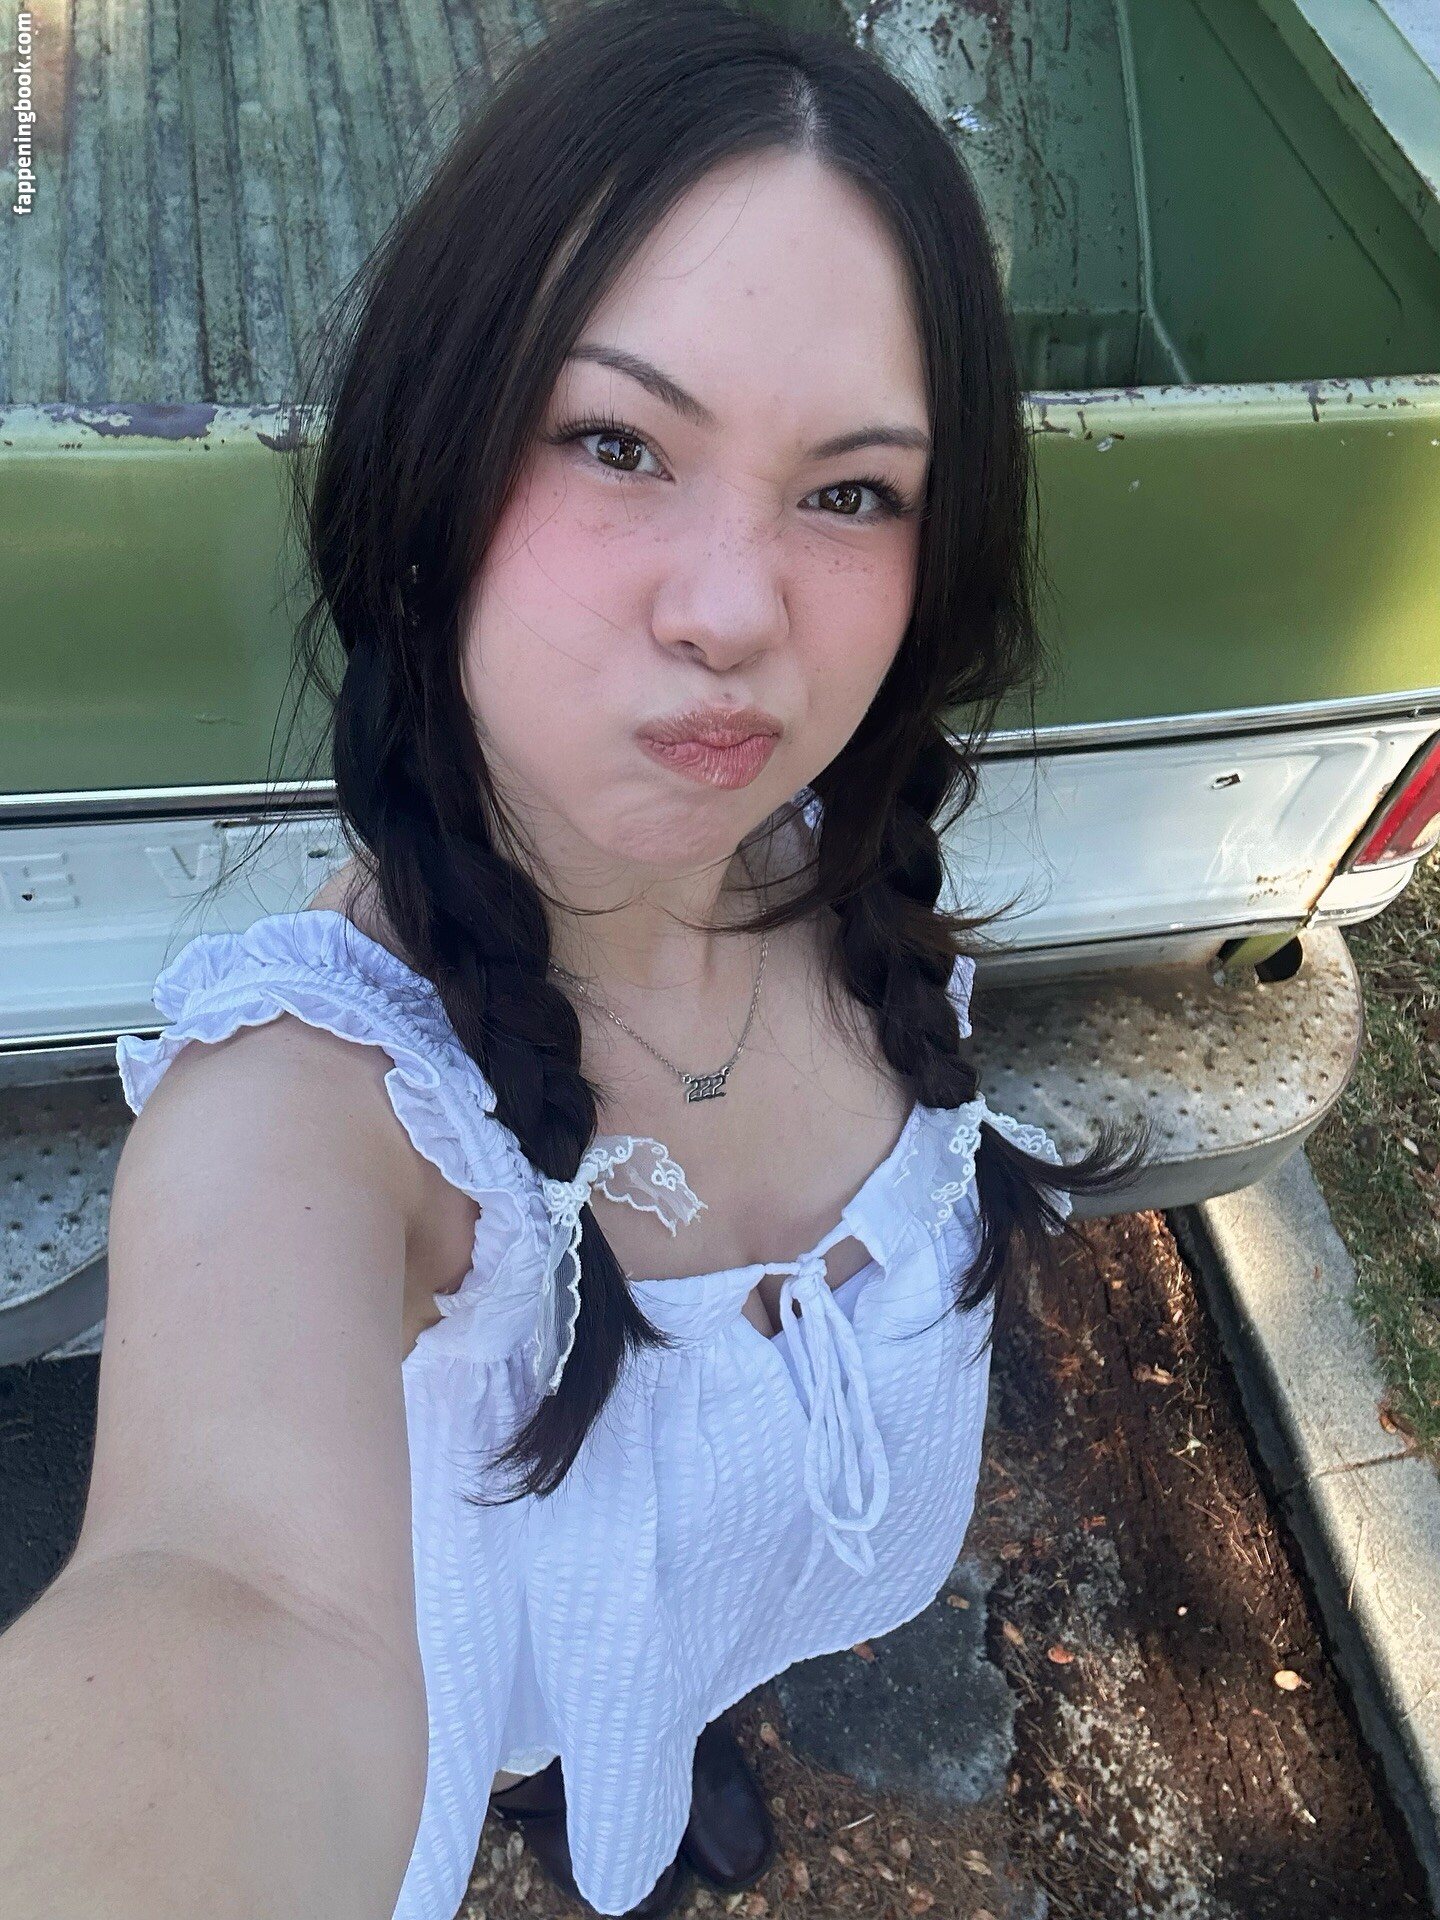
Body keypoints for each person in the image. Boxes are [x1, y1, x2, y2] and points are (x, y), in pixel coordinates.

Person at [0, 4, 1141, 1916]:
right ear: (435, 459)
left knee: (677, 1659)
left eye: (851, 490)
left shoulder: (857, 879)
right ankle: (559, 1773)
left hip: (741, 1605)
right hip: (459, 1688)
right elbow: (227, 1601)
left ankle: (672, 1717)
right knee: (542, 1725)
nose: (734, 612)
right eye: (620, 442)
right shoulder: (311, 1117)